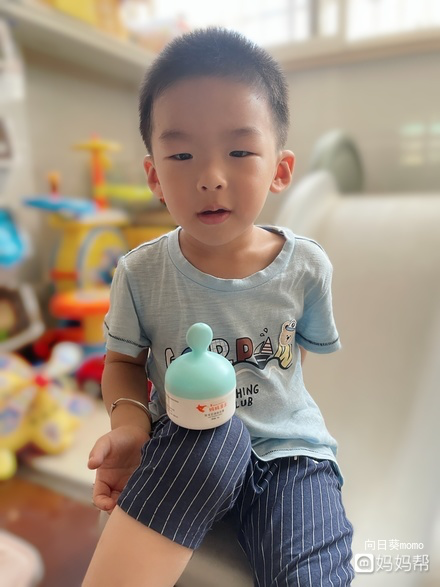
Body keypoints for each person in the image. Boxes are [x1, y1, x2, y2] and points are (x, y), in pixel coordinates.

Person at [83, 27, 354, 587]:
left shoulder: (305, 267)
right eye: (182, 155)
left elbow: (295, 361)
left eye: (239, 152)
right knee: (213, 433)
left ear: (280, 169)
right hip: (187, 450)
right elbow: (123, 362)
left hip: (290, 456)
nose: (209, 178)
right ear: (155, 176)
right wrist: (130, 426)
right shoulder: (141, 273)